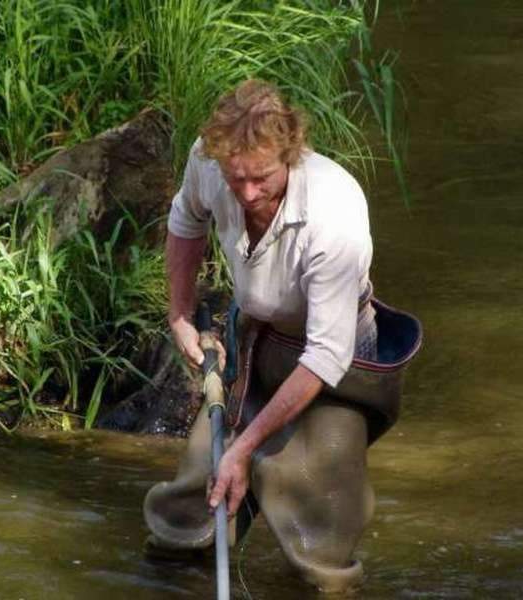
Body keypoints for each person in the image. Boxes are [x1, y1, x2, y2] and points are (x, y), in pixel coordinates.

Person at [143, 79, 421, 593]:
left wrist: (245, 448)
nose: (247, 194)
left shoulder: (334, 215)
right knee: (192, 507)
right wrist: (180, 313)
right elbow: (186, 219)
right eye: (236, 178)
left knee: (320, 538)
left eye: (262, 178)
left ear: (291, 154)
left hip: (338, 366)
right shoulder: (209, 160)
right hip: (257, 340)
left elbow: (324, 357)